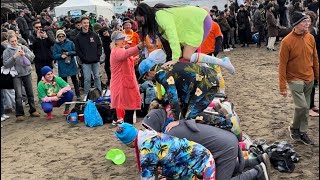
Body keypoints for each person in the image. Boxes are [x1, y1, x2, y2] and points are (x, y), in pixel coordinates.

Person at [142, 108, 271, 180]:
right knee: (222, 169)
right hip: (226, 142)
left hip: (226, 148)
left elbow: (182, 164)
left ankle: (257, 172)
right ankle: (257, 161)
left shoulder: (171, 134)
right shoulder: (174, 125)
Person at [134, 3, 235, 75]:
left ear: (145, 15)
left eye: (141, 20)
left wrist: (174, 59)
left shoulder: (160, 16)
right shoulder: (157, 20)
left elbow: (172, 34)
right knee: (187, 56)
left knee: (187, 55)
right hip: (194, 24)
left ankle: (222, 63)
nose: (141, 24)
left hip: (200, 20)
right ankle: (211, 71)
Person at [114, 122, 216, 179]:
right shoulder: (151, 134)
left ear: (128, 143)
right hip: (197, 157)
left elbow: (148, 177)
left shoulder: (147, 150)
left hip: (202, 162)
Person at [279, 11, 319, 145]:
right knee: (301, 106)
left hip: (309, 77)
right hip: (294, 78)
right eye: (304, 22)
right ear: (296, 25)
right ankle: (293, 127)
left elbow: (315, 59)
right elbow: (282, 64)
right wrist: (282, 86)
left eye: (308, 21)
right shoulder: (286, 41)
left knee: (306, 107)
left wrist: (317, 76)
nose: (307, 24)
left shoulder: (311, 38)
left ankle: (302, 132)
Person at [138, 55, 220, 120]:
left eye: (145, 78)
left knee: (191, 116)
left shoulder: (161, 74)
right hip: (207, 79)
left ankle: (225, 121)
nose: (147, 80)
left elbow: (173, 96)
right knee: (188, 113)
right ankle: (221, 117)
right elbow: (177, 92)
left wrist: (178, 120)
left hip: (207, 82)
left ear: (148, 73)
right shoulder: (165, 68)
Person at [3, 34, 40, 121]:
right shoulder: (6, 51)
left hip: (27, 72)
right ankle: (19, 113)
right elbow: (6, 64)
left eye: (15, 41)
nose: (14, 43)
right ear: (8, 42)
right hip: (16, 75)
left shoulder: (23, 47)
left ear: (17, 40)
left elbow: (32, 57)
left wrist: (25, 54)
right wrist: (14, 57)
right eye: (12, 41)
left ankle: (33, 110)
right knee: (18, 95)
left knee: (30, 92)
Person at [109, 31, 143, 124]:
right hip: (122, 84)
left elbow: (125, 58)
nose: (124, 41)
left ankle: (127, 129)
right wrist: (139, 47)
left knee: (129, 109)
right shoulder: (117, 50)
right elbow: (124, 55)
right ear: (115, 41)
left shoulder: (120, 50)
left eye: (124, 38)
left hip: (125, 83)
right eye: (121, 39)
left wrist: (134, 60)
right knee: (129, 108)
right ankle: (127, 130)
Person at [75, 16, 102, 97]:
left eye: (87, 23)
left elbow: (99, 45)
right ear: (81, 24)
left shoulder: (94, 34)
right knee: (87, 79)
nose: (86, 24)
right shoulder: (78, 37)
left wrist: (98, 55)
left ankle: (99, 93)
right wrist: (83, 58)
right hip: (85, 62)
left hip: (95, 60)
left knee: (97, 77)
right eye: (84, 23)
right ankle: (86, 95)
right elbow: (78, 50)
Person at [52, 29, 80, 100]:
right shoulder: (55, 45)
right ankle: (67, 96)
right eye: (59, 36)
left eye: (62, 36)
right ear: (57, 37)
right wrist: (60, 56)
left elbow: (76, 51)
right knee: (64, 82)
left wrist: (68, 53)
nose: (61, 37)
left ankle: (78, 95)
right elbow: (54, 55)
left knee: (75, 80)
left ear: (65, 36)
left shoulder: (70, 43)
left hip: (71, 64)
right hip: (62, 65)